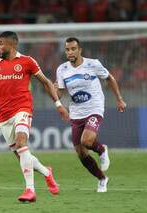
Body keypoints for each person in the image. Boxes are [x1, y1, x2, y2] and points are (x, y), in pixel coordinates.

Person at [0, 31, 69, 202]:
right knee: (22, 155)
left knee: (22, 143)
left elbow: (45, 82)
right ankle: (46, 172)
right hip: (4, 116)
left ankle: (30, 191)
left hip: (23, 109)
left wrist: (59, 105)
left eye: (0, 43)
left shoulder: (27, 61)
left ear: (12, 44)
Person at [55, 37, 127, 193]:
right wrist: (54, 91)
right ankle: (102, 179)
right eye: (67, 49)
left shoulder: (93, 64)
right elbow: (60, 92)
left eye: (73, 48)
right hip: (76, 112)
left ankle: (101, 150)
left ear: (80, 50)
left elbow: (109, 78)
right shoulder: (62, 69)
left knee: (87, 141)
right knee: (81, 153)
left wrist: (119, 99)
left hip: (94, 108)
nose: (70, 52)